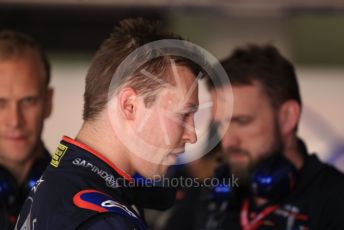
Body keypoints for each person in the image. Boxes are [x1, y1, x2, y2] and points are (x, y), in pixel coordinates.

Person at [15, 18, 203, 230]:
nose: (192, 135)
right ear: (129, 106)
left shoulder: (63, 183)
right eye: (183, 114)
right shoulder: (102, 219)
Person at [164, 44, 344, 230]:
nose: (228, 141)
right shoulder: (205, 195)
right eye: (220, 125)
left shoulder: (335, 201)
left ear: (288, 117)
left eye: (242, 121)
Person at [0, 30, 53, 229]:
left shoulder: (78, 194)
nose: (15, 120)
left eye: (28, 101)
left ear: (48, 102)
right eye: (1, 103)